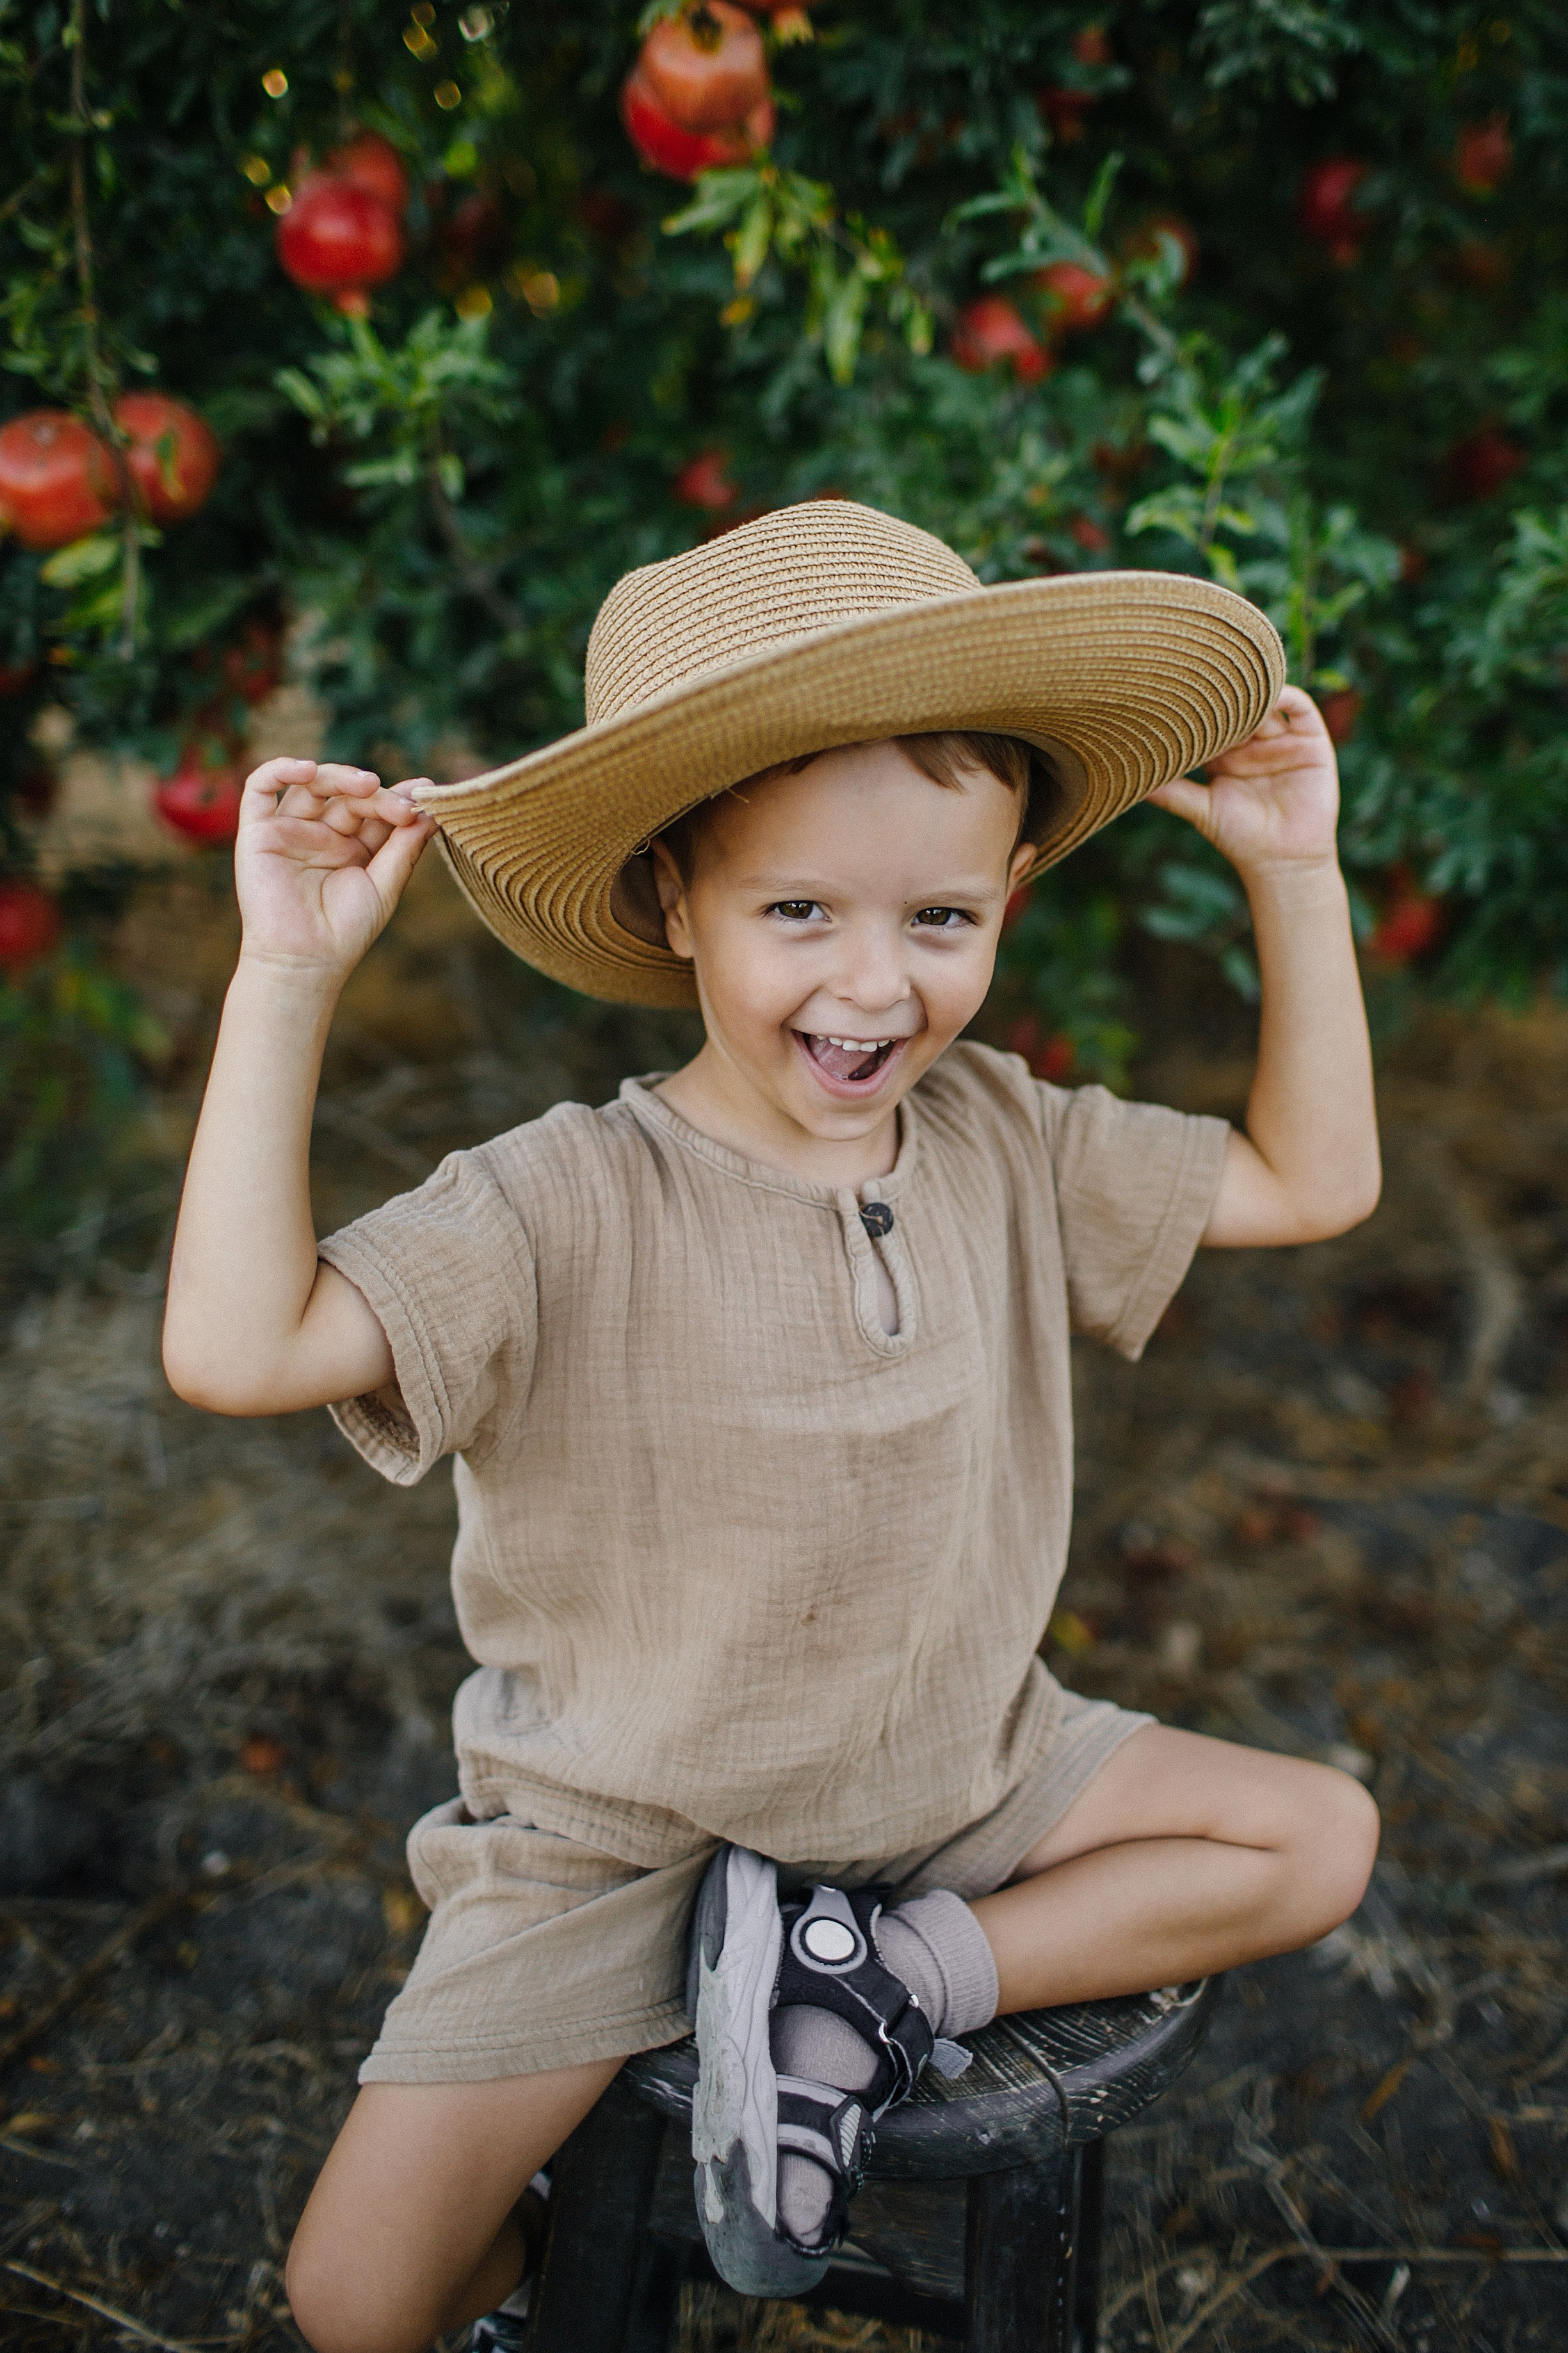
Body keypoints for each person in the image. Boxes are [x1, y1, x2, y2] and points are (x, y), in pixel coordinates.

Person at [161, 501, 1382, 2353]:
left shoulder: (996, 1131)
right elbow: (237, 1348)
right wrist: (289, 975)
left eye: (941, 916)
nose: (874, 982)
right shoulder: (559, 1201)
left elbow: (1313, 1176)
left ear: (1010, 895)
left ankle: (868, 1981)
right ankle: (576, 2260)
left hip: (953, 1773)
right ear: (674, 898)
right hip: (629, 1835)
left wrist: (1294, 871)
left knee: (1317, 1839)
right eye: (798, 909)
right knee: (353, 2298)